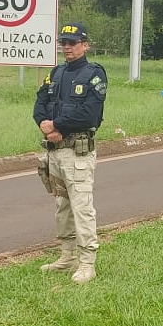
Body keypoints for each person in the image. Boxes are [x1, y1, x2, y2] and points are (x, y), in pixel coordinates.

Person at [33, 22, 108, 284]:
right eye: (63, 42)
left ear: (85, 45)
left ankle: (87, 262)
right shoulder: (56, 73)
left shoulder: (94, 74)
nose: (67, 47)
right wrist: (44, 124)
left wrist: (57, 125)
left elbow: (89, 113)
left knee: (82, 207)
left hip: (77, 151)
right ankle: (67, 257)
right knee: (62, 205)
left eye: (72, 42)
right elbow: (40, 102)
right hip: (55, 151)